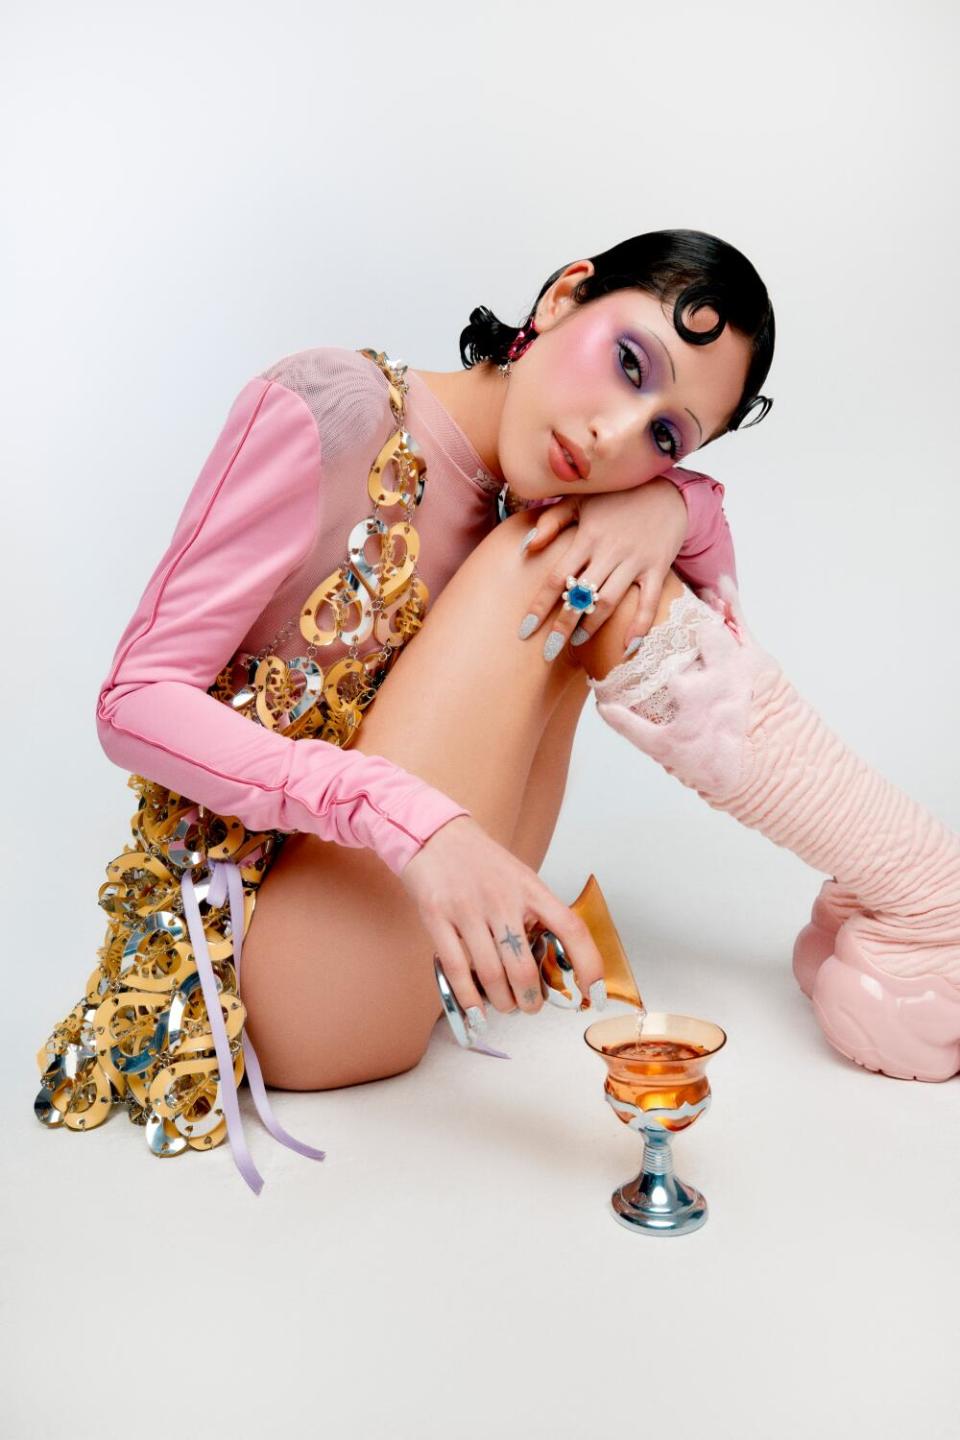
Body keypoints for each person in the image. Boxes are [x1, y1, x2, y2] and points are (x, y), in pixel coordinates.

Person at [49, 225, 951, 1199]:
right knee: (561, 551)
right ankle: (929, 894)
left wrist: (672, 507)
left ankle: (917, 893)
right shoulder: (328, 406)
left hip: (435, 953)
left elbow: (706, 579)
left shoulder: (571, 489)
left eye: (664, 434)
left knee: (595, 548)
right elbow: (133, 700)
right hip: (268, 974)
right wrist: (407, 818)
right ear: (562, 296)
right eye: (628, 362)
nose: (614, 431)